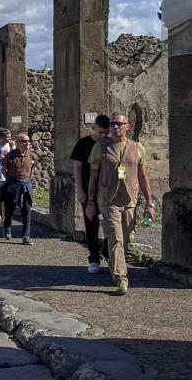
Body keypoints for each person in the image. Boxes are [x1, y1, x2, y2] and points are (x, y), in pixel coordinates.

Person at [86, 112, 155, 296]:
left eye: (119, 124)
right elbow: (93, 177)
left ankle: (113, 260)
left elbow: (143, 176)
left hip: (129, 200)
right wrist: (90, 202)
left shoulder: (137, 148)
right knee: (115, 238)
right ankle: (121, 279)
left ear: (127, 127)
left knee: (126, 239)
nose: (115, 127)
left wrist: (150, 203)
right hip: (107, 201)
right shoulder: (100, 148)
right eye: (113, 124)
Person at [71, 115, 110, 274]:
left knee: (110, 224)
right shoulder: (83, 144)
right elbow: (77, 168)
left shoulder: (110, 143)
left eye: (106, 133)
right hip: (88, 192)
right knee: (91, 224)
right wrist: (80, 190)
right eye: (101, 132)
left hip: (107, 193)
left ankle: (108, 253)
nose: (104, 136)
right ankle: (94, 258)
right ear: (93, 128)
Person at [2, 132, 37, 243]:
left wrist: (28, 180)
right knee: (9, 210)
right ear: (17, 143)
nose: (27, 143)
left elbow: (33, 169)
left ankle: (26, 236)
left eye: (28, 141)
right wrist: (10, 180)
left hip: (26, 187)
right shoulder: (10, 155)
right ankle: (7, 227)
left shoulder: (32, 156)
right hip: (11, 187)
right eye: (24, 141)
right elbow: (4, 170)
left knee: (27, 211)